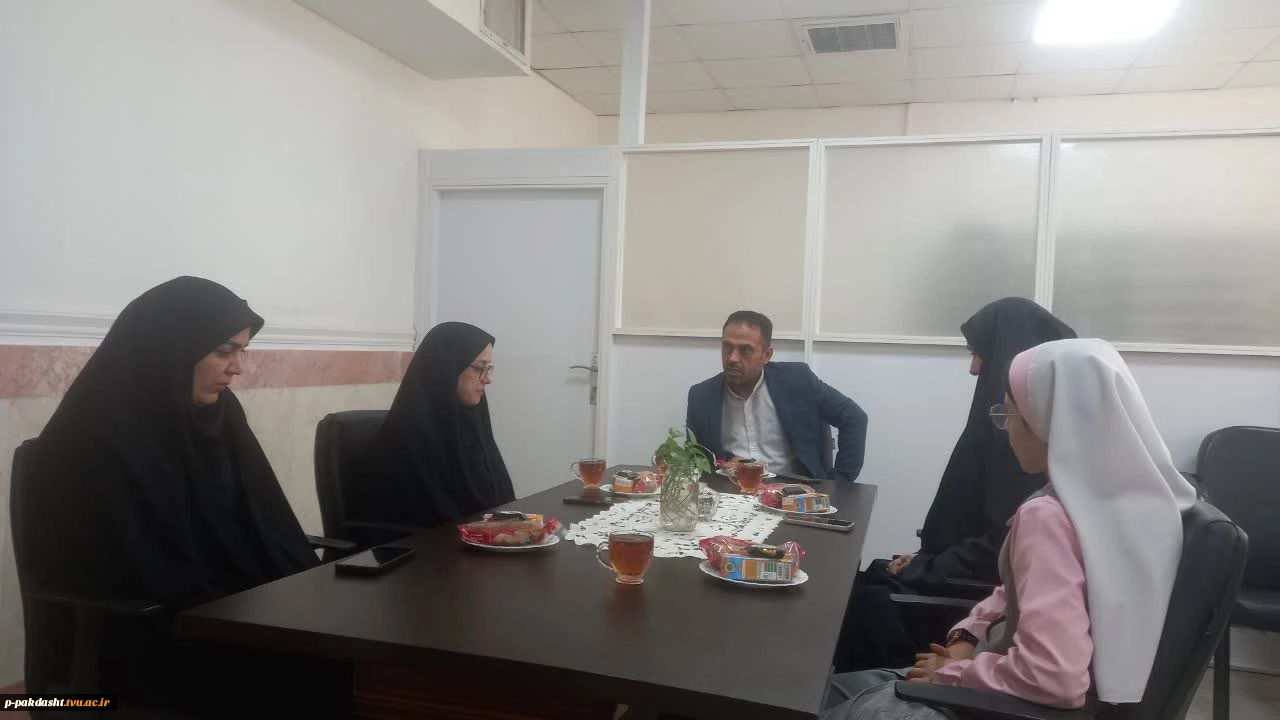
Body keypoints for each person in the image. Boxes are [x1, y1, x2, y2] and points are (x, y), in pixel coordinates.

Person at [820, 338, 1197, 719]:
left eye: (1010, 414)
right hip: (1044, 694)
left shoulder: (1047, 517)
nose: (1005, 429)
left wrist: (954, 674)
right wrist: (968, 635)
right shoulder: (1136, 502)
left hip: (998, 704)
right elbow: (1013, 591)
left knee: (815, 698)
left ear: (1047, 421)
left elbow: (1052, 678)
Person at [24, 276, 348, 718]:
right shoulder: (91, 441)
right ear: (172, 349)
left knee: (341, 654)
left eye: (242, 351)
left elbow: (265, 521)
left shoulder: (219, 417)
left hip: (224, 612)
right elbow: (132, 569)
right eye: (224, 351)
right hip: (141, 636)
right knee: (311, 673)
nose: (238, 368)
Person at [834, 297, 1076, 671]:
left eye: (980, 353)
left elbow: (999, 551)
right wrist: (925, 558)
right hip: (966, 581)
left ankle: (870, 691)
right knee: (866, 577)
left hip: (971, 597)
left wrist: (926, 568)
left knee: (864, 600)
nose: (974, 367)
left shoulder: (1023, 450)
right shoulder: (1009, 432)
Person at [351, 321, 515, 531]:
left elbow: (500, 500)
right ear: (447, 369)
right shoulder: (409, 439)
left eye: (489, 368)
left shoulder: (473, 426)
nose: (488, 379)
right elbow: (426, 524)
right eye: (479, 368)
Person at [686, 310, 868, 481]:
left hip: (793, 492)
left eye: (745, 350)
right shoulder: (701, 397)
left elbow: (854, 417)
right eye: (727, 347)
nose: (732, 358)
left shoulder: (798, 381)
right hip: (733, 492)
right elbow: (696, 458)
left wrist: (839, 482)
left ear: (766, 355)